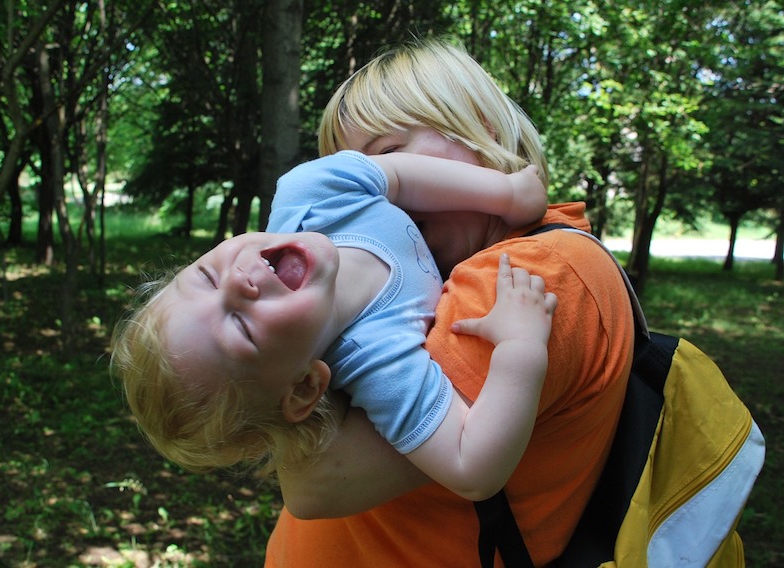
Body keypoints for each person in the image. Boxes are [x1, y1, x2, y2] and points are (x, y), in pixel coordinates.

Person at [265, 39, 636, 566]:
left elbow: (316, 483)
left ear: (480, 128)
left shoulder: (528, 275)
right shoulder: (454, 270)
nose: (379, 196)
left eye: (390, 155)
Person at [111, 149, 557, 502]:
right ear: (304, 387)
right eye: (242, 329)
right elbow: (471, 468)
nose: (237, 282)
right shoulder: (376, 360)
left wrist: (506, 194)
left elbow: (398, 176)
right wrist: (521, 347)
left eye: (206, 276)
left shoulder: (309, 193)